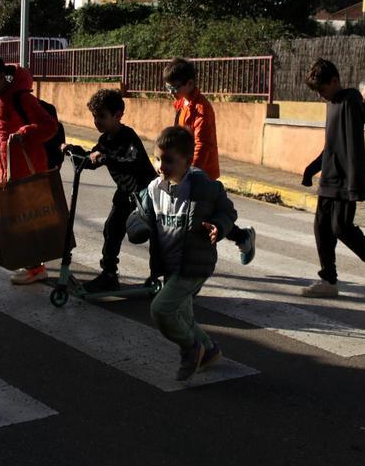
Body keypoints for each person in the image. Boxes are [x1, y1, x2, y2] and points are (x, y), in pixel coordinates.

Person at [127, 126, 233, 381]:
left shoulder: (202, 188)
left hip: (194, 264)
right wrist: (139, 227)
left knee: (161, 310)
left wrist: (219, 226)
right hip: (170, 265)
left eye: (169, 160)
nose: (161, 165)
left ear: (187, 160)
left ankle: (190, 347)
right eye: (158, 158)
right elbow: (139, 213)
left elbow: (227, 213)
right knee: (183, 315)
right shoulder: (154, 188)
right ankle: (208, 350)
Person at [300, 58, 365, 298]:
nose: (321, 95)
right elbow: (331, 145)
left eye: (323, 89)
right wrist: (313, 168)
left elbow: (353, 144)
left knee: (341, 227)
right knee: (321, 228)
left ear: (335, 81)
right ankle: (328, 280)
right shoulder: (331, 103)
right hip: (329, 178)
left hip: (345, 179)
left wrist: (354, 184)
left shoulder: (350, 101)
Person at [0, 52, 59, 285]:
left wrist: (24, 133)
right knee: (15, 221)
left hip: (27, 170)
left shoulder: (22, 97)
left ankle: (36, 268)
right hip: (7, 170)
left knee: (28, 221)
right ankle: (31, 264)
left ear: (1, 77)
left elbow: (49, 126)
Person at [163, 57, 257, 265]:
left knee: (202, 220)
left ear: (189, 84)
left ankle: (199, 265)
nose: (171, 92)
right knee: (204, 217)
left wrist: (189, 173)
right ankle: (242, 237)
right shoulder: (182, 103)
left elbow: (201, 146)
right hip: (183, 170)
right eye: (168, 87)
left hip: (199, 172)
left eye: (174, 87)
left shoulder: (201, 110)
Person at [78, 88, 158, 293]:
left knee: (155, 238)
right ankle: (109, 274)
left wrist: (106, 158)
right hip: (124, 195)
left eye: (102, 117)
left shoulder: (127, 136)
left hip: (146, 196)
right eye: (95, 117)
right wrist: (74, 152)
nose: (97, 121)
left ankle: (157, 276)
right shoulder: (105, 140)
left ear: (118, 115)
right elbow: (92, 159)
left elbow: (130, 161)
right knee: (111, 230)